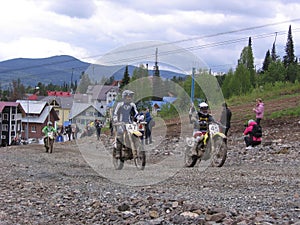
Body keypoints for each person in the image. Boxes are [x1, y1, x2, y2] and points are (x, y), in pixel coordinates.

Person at [113, 90, 139, 158]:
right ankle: (118, 151)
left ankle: (136, 148)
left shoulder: (132, 105)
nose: (129, 98)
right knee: (120, 134)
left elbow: (136, 113)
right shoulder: (120, 104)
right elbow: (115, 113)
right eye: (128, 96)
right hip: (121, 123)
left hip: (130, 123)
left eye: (130, 96)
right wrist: (115, 120)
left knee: (135, 134)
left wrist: (139, 118)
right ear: (124, 97)